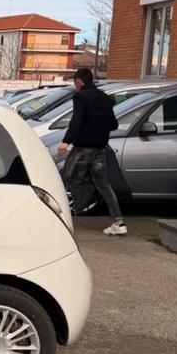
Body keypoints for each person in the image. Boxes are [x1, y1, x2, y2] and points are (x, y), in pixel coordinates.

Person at [57, 68, 127, 236]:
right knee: (103, 184)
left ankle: (58, 218)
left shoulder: (80, 97)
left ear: (80, 81)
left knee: (64, 178)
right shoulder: (105, 98)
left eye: (75, 83)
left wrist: (66, 141)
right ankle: (118, 222)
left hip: (82, 147)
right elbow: (113, 124)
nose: (75, 86)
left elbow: (77, 120)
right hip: (99, 148)